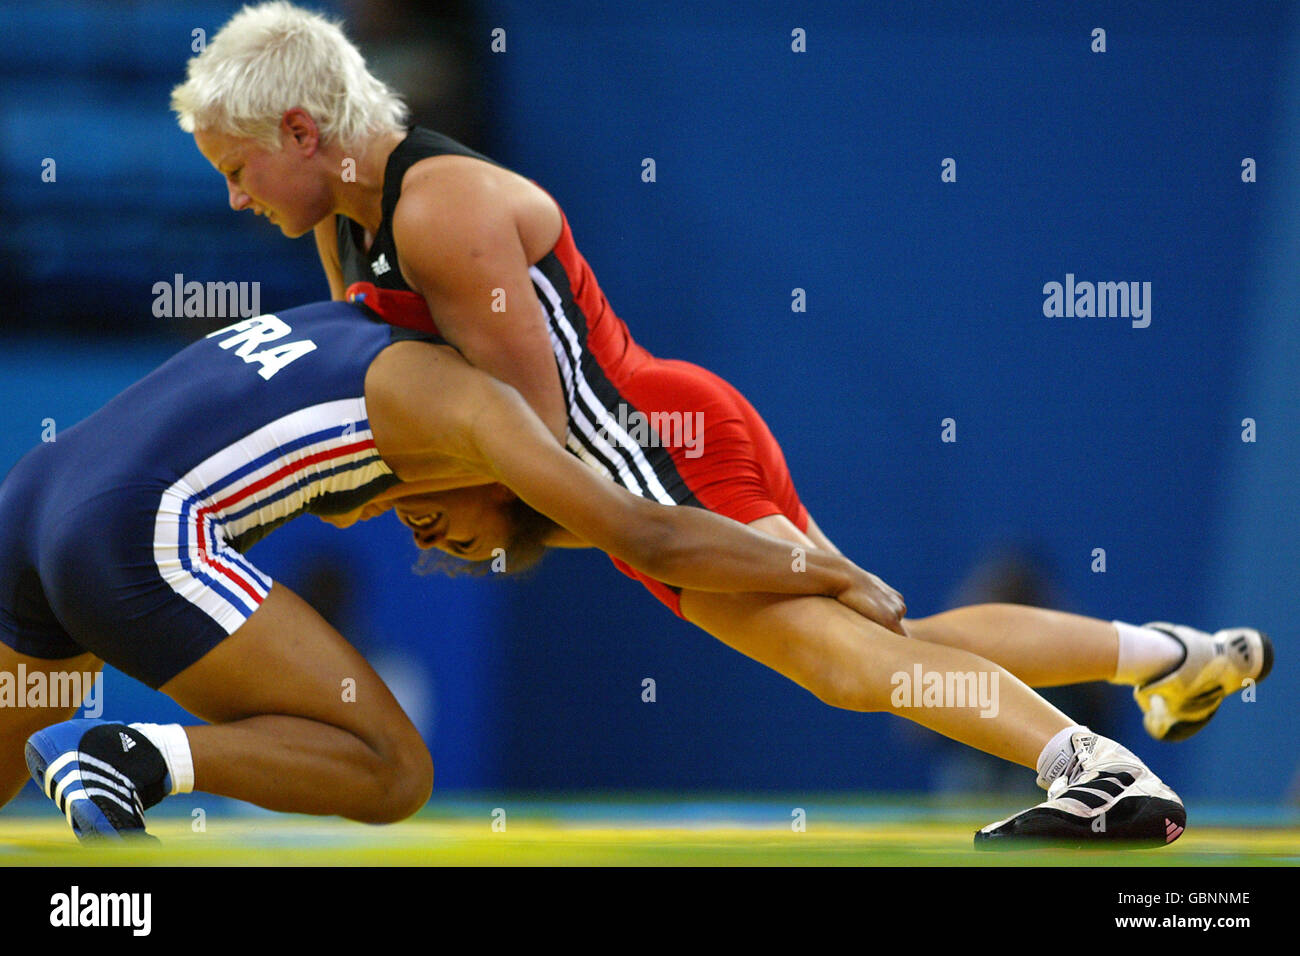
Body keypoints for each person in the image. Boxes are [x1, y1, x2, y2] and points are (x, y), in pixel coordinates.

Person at [326, 295, 1271, 847]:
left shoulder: (449, 394)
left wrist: (820, 571)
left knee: (850, 666)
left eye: (422, 515)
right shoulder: (452, 429)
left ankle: (1096, 773)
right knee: (895, 648)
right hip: (676, 424)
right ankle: (1169, 656)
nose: (428, 546)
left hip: (667, 443)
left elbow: (657, 537)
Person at [1, 300, 901, 842]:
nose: (429, 544)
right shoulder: (474, 412)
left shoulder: (349, 326)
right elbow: (648, 536)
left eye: (453, 552)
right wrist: (822, 568)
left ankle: (112, 759)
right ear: (506, 482)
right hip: (129, 526)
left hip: (31, 499)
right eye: (466, 542)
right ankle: (125, 753)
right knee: (393, 770)